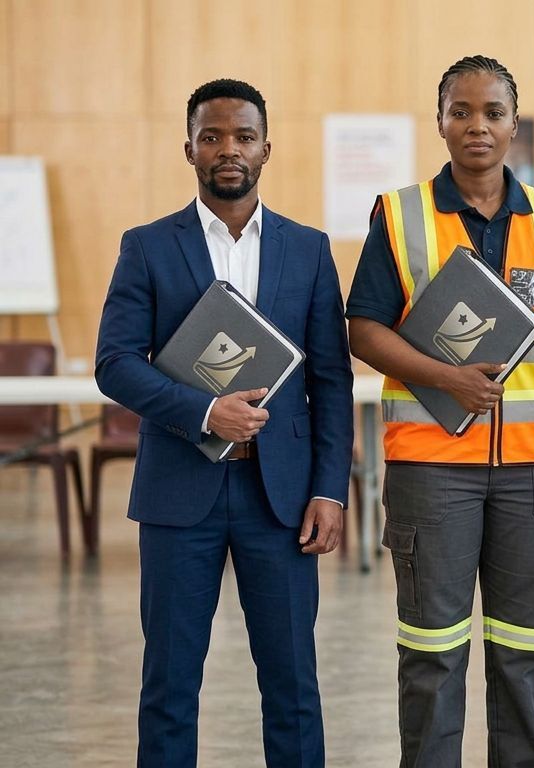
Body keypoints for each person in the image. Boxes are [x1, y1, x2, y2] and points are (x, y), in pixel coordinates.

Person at [345, 55, 534, 768]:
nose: (477, 126)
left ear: (516, 124)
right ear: (440, 123)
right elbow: (362, 329)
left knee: (525, 654)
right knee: (432, 653)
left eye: (493, 113)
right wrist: (445, 378)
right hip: (431, 468)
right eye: (461, 112)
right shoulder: (400, 215)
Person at [94, 78, 353, 767]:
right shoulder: (148, 246)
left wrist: (329, 490)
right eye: (211, 137)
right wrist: (206, 411)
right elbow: (115, 363)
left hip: (283, 499)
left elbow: (331, 381)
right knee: (170, 685)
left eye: (243, 136)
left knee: (293, 685)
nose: (228, 149)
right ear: (189, 149)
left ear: (267, 148)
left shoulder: (308, 249)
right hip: (179, 493)